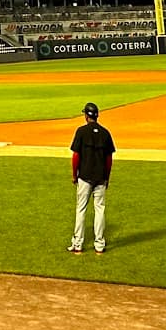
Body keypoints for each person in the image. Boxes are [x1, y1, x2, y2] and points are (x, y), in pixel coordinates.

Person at [67, 101, 115, 254]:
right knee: (100, 210)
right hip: (100, 178)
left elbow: (76, 156)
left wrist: (74, 175)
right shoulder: (105, 133)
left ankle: (78, 244)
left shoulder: (81, 131)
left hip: (85, 177)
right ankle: (99, 244)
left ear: (86, 116)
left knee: (81, 209)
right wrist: (107, 177)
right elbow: (109, 159)